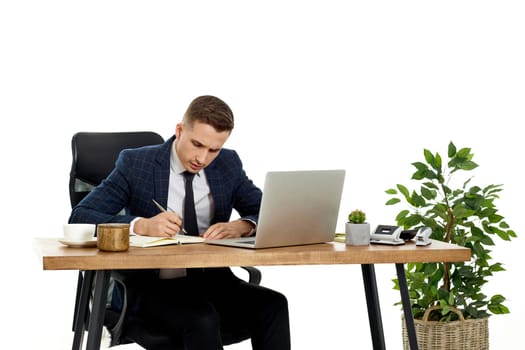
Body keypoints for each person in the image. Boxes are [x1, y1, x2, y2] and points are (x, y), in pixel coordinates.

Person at [69, 95, 291, 350]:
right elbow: (81, 216)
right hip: (154, 288)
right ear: (179, 131)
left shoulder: (228, 164)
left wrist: (243, 225)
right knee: (201, 319)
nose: (203, 158)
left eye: (213, 150)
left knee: (274, 305)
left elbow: (269, 212)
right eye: (197, 144)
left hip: (214, 281)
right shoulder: (136, 164)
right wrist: (141, 225)